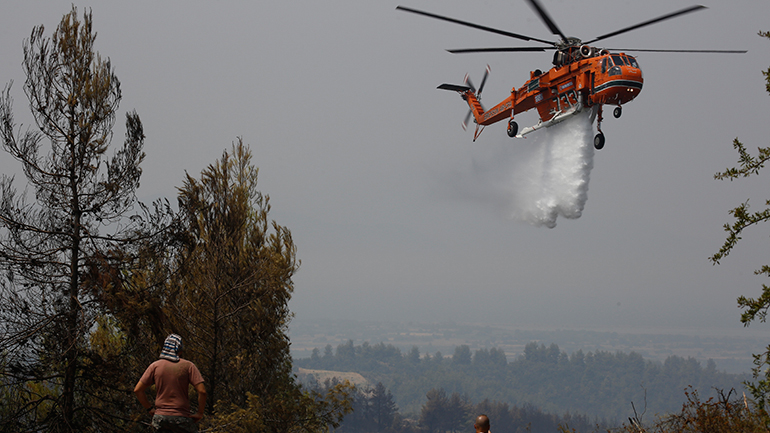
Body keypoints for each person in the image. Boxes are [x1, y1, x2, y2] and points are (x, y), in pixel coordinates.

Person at [134, 334, 207, 433]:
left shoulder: (154, 366)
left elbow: (138, 390)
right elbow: (202, 391)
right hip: (181, 418)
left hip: (160, 418)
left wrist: (150, 409)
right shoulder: (188, 366)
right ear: (180, 350)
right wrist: (199, 413)